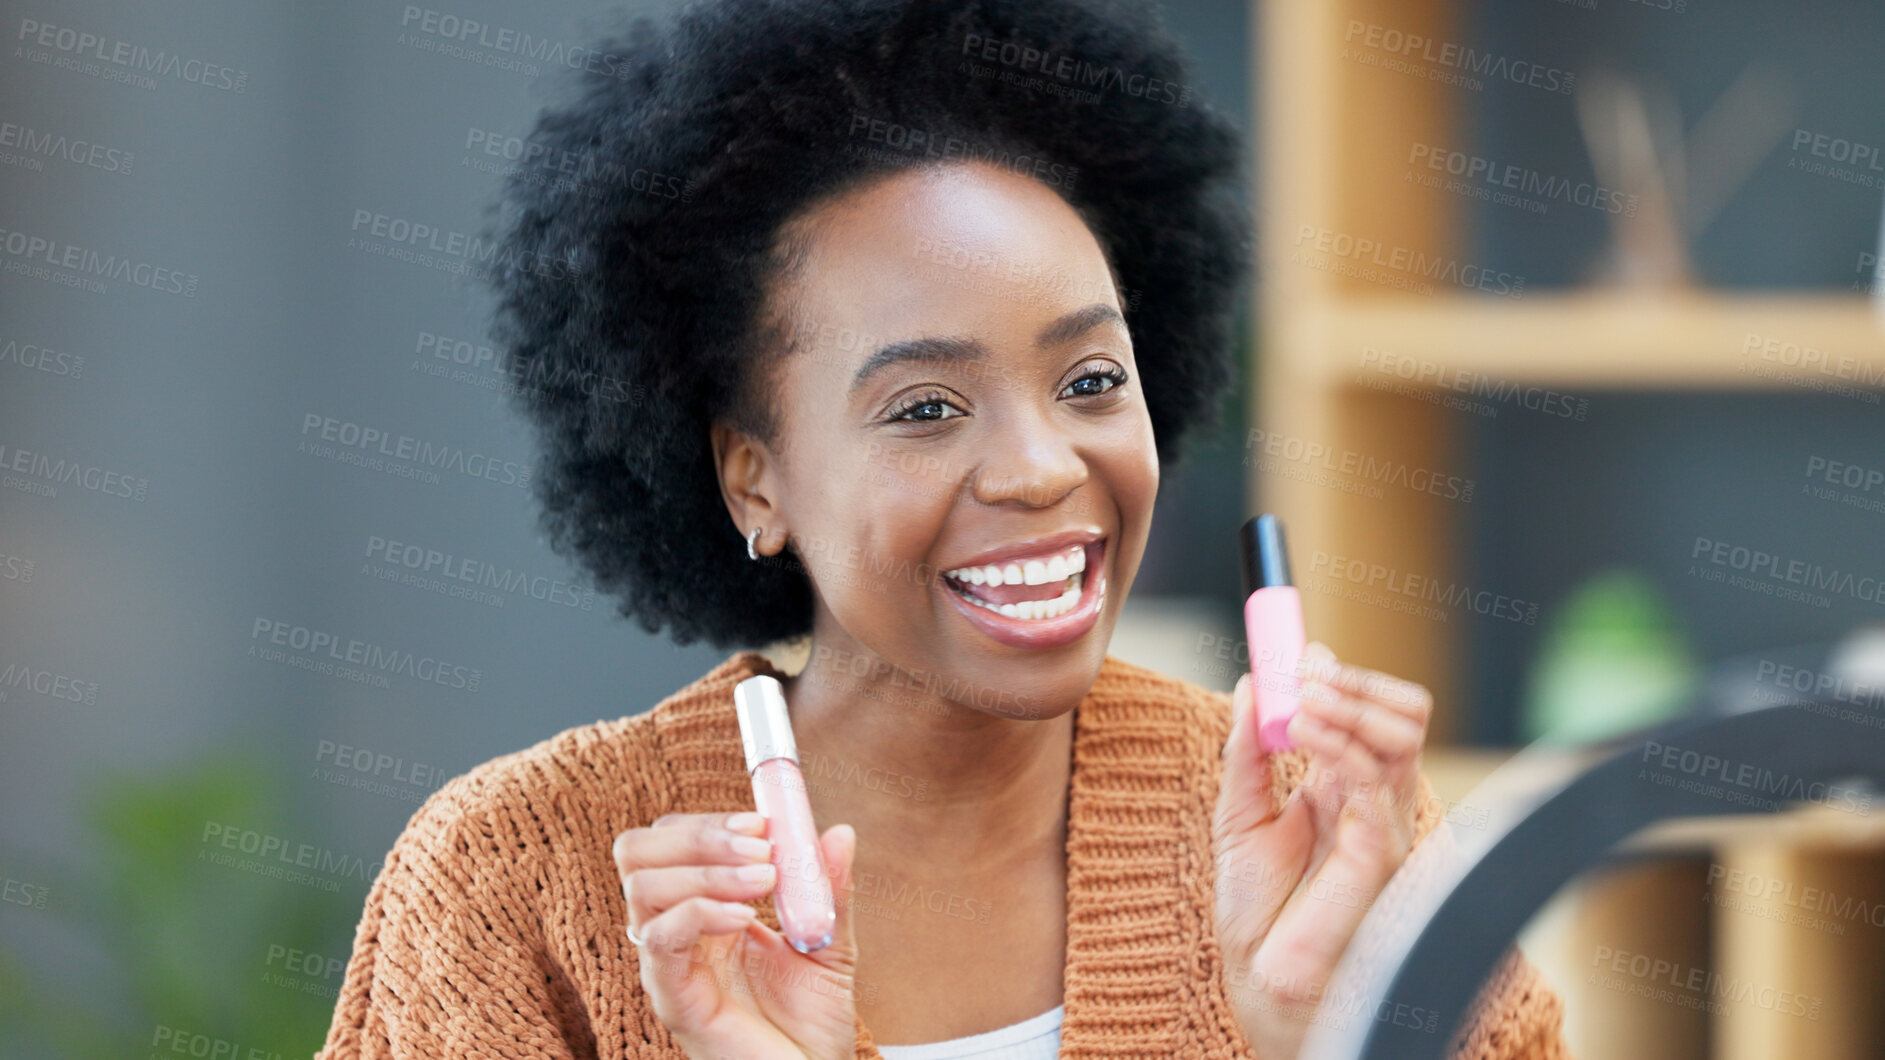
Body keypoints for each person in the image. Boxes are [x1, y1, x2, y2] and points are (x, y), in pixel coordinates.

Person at [317, 0, 1571, 1056]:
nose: (1038, 467)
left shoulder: (1335, 843)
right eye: (924, 406)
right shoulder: (514, 887)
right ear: (753, 480)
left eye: (1089, 381)